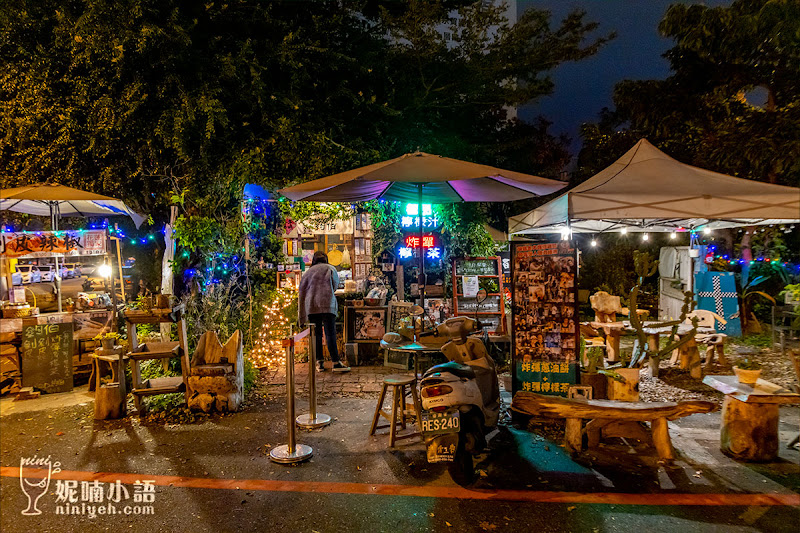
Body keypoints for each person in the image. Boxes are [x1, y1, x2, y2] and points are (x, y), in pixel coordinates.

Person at [298, 251, 350, 372]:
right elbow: (335, 284)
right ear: (326, 259)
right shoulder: (330, 269)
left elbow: (302, 290)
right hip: (328, 304)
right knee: (330, 333)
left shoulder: (308, 272)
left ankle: (319, 363)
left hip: (312, 306)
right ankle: (336, 362)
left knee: (316, 334)